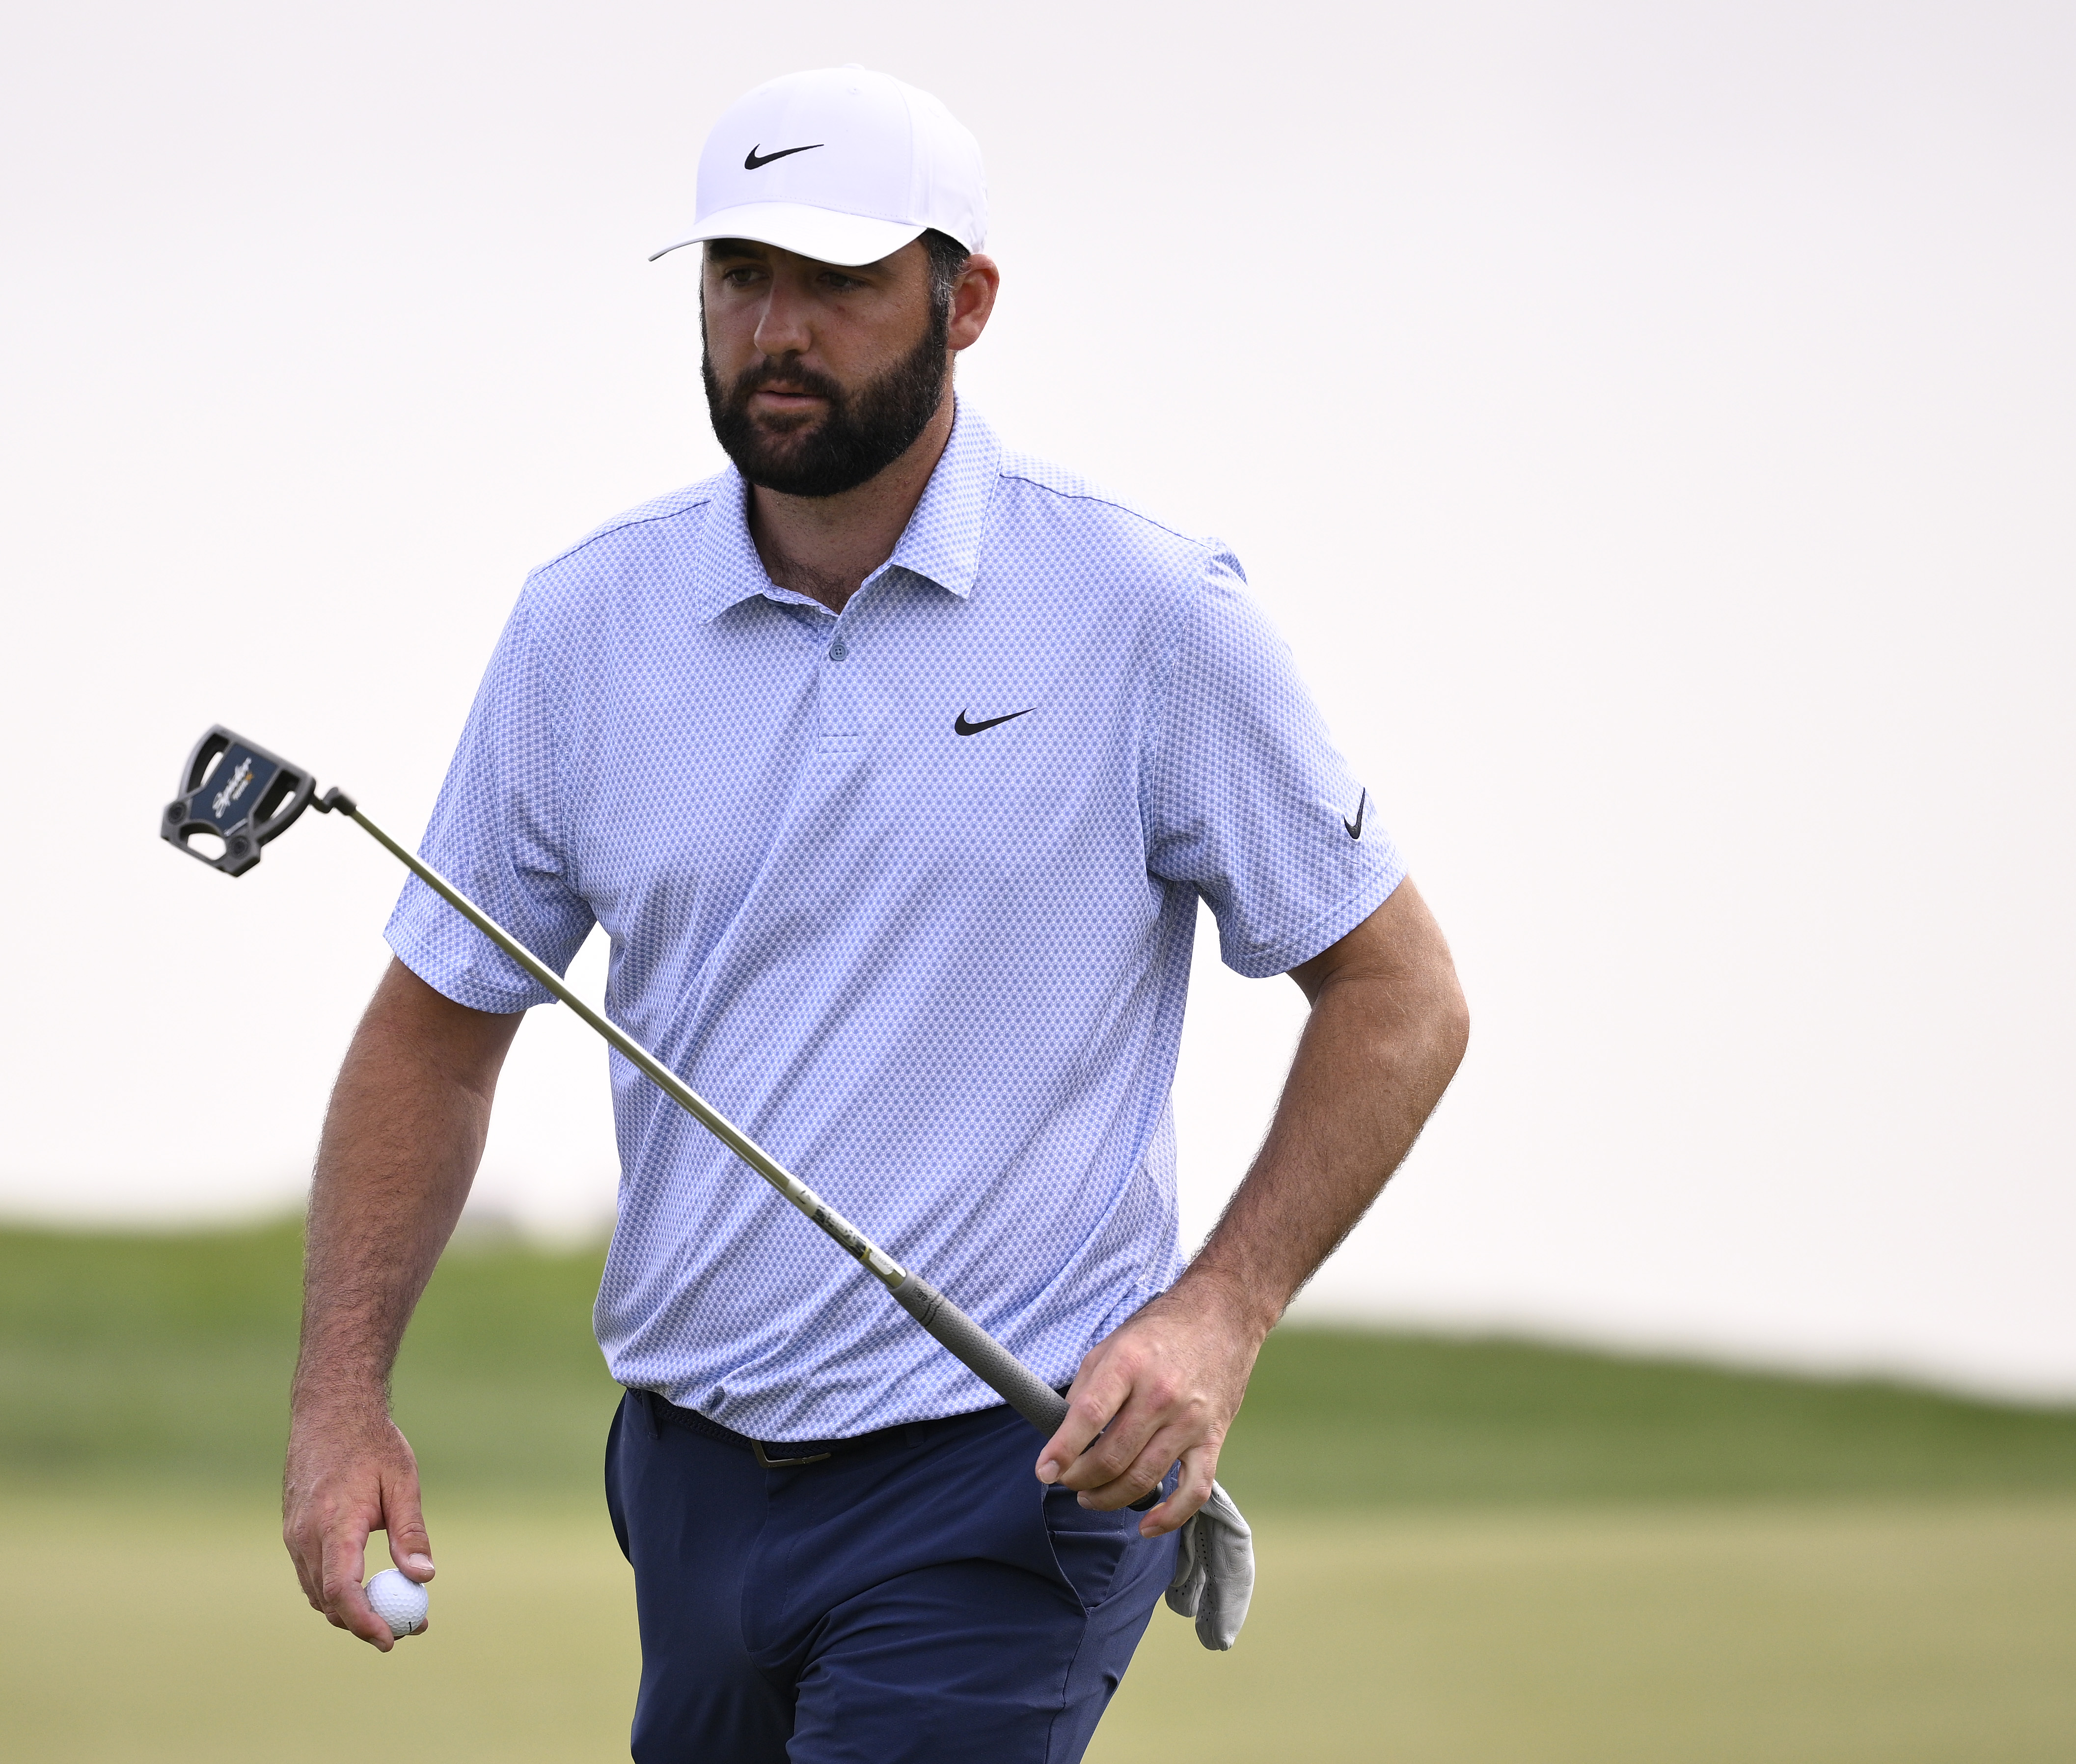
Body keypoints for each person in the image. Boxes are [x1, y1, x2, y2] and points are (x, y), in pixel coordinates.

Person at [281, 65, 1469, 1763]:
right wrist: (339, 1404)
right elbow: (435, 1025)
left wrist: (1216, 1314)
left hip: (999, 1470)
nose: (775, 330)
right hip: (688, 1478)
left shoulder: (1143, 612)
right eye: (738, 278)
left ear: (963, 301)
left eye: (834, 283)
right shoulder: (585, 628)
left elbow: (1400, 993)